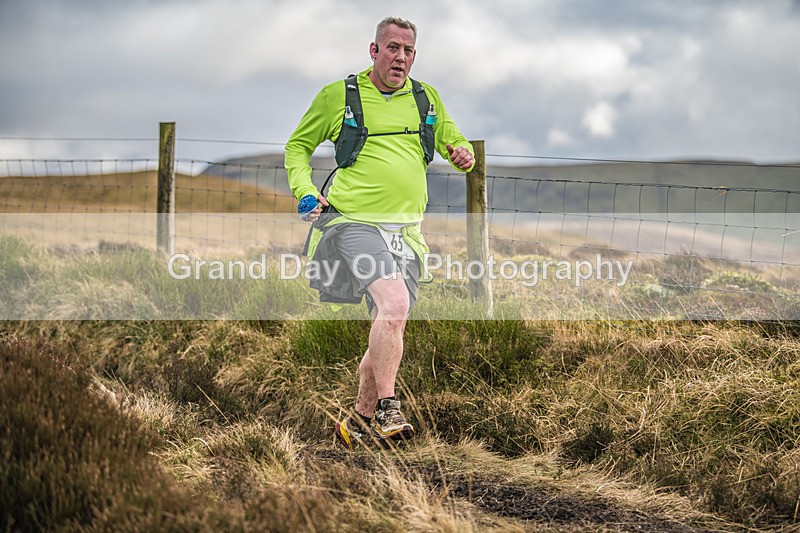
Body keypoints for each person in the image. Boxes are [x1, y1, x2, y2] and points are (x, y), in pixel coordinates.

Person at [285, 16, 475, 449]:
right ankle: (391, 409)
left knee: (388, 323)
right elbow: (297, 146)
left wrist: (462, 154)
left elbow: (452, 138)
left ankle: (356, 423)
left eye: (409, 51)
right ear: (374, 51)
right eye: (392, 48)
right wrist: (306, 190)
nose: (401, 58)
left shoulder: (426, 98)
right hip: (352, 222)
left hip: (406, 231)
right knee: (395, 302)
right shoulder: (340, 96)